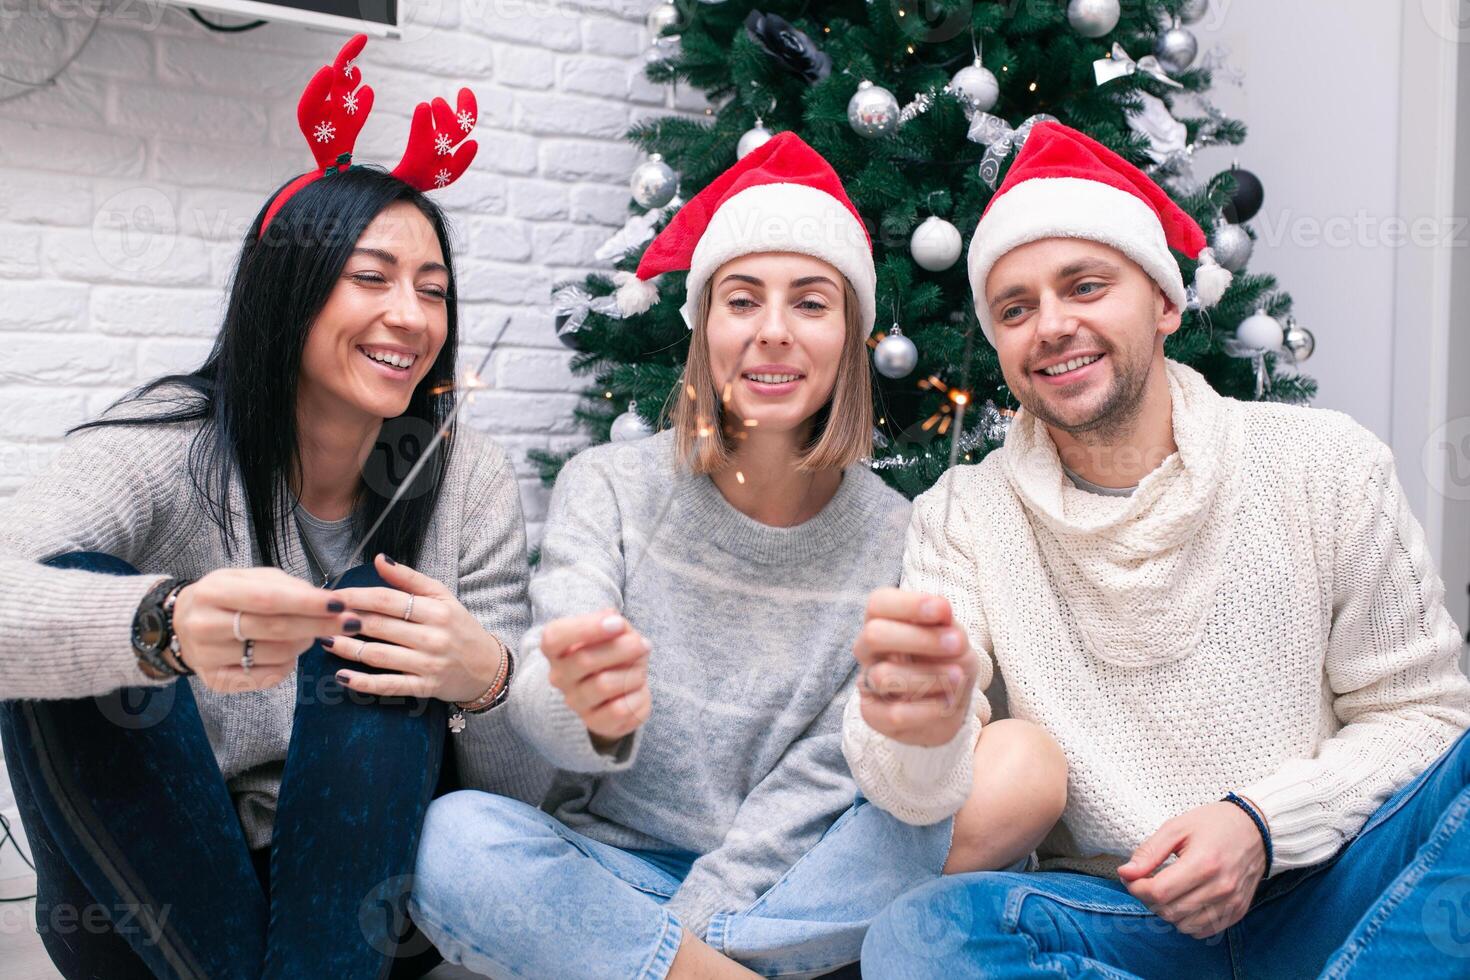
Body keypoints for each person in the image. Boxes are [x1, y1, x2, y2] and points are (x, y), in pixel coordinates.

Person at [409, 132, 1066, 980]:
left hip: (797, 880)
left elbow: (819, 787)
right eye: (743, 300)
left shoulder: (897, 533)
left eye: (811, 303)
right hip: (611, 871)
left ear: (851, 336)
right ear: (704, 325)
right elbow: (553, 726)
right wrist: (579, 703)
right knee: (454, 839)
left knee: (1015, 776)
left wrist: (687, 939)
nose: (773, 334)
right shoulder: (605, 486)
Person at [848, 120, 1470, 978]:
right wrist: (910, 727)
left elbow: (1427, 714)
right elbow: (920, 790)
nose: (1053, 326)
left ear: (1166, 304)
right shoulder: (965, 515)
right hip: (1121, 920)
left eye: (1087, 286)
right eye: (1016, 309)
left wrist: (1258, 824)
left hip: (1334, 888)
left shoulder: (1325, 463)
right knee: (921, 937)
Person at [0, 35, 547, 979]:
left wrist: (486, 675)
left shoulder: (469, 480)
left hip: (358, 899)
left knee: (383, 629)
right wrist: (156, 626)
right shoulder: (163, 448)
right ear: (285, 295)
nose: (412, 318)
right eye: (371, 278)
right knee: (83, 599)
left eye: (434, 290)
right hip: (152, 899)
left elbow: (519, 804)